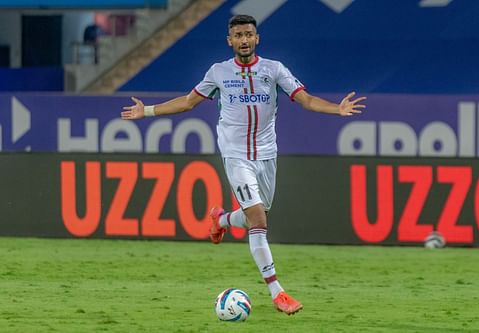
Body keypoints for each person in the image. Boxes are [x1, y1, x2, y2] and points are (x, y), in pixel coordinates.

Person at [121, 14, 366, 315]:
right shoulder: (219, 72)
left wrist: (336, 109)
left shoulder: (274, 70)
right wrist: (145, 111)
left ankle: (220, 220)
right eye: (238, 35)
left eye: (249, 34)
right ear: (230, 41)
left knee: (257, 216)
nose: (244, 40)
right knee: (259, 221)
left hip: (267, 155)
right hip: (236, 154)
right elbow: (187, 102)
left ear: (257, 37)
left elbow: (306, 100)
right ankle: (278, 293)